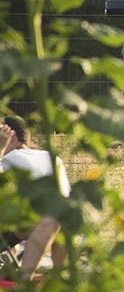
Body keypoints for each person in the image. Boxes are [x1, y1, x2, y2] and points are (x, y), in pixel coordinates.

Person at [0, 115, 71, 280]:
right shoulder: (53, 158)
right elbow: (65, 197)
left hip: (21, 225)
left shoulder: (11, 158)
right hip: (45, 224)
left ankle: (26, 279)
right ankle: (61, 279)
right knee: (59, 219)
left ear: (12, 136)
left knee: (52, 219)